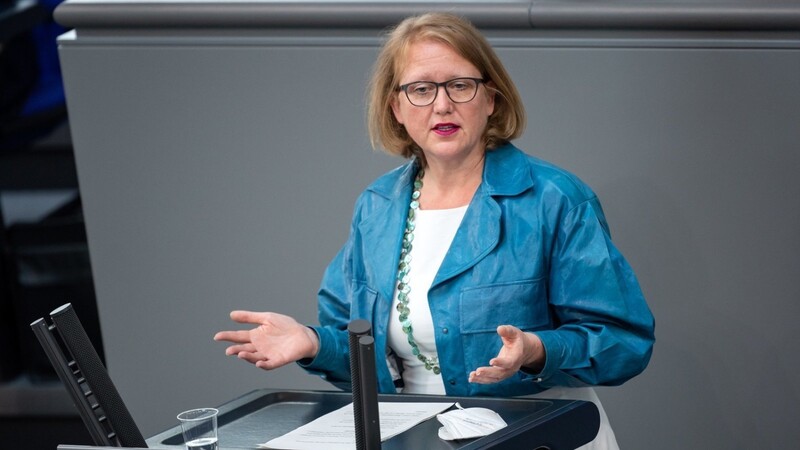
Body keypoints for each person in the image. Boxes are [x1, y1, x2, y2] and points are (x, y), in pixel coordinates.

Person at [214, 12, 655, 449]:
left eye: (460, 86)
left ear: (491, 99)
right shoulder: (378, 206)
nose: (442, 105)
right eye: (421, 89)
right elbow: (362, 357)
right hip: (416, 437)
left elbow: (623, 343)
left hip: (540, 432)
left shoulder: (555, 197)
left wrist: (537, 349)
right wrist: (310, 342)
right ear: (397, 108)